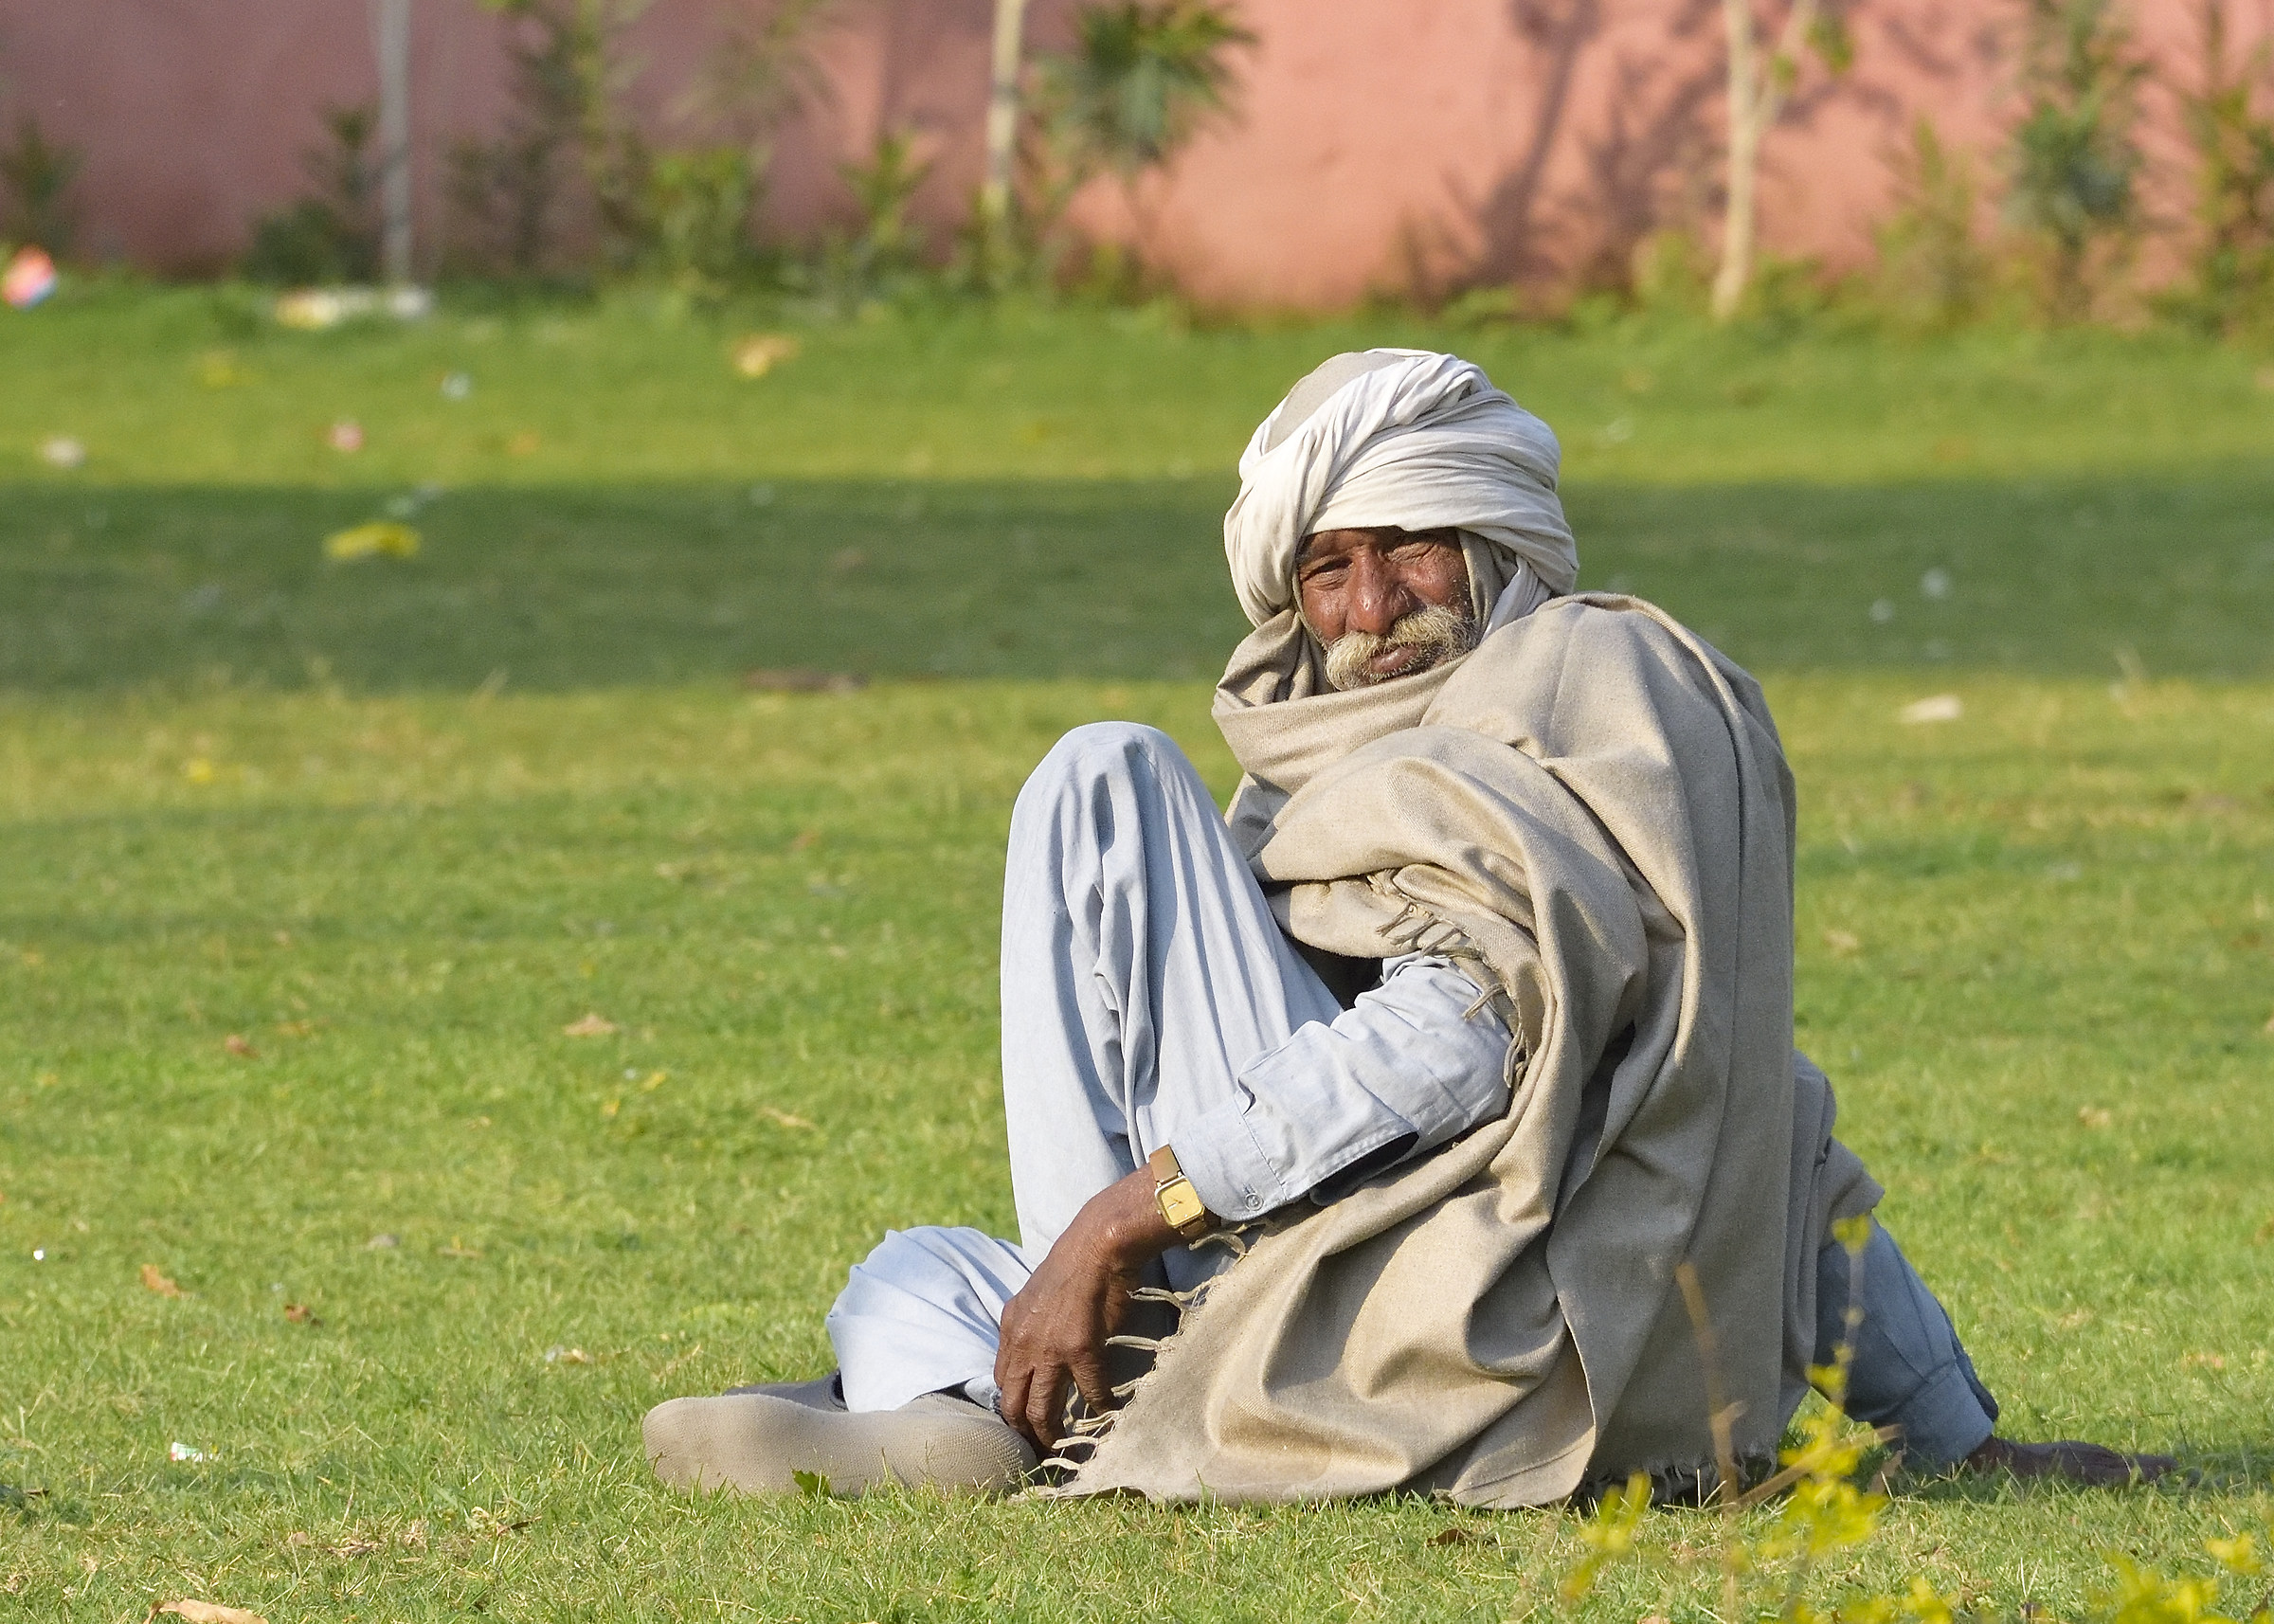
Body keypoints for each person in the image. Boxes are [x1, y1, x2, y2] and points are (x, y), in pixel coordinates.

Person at [643, 350, 2168, 1504]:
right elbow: (1773, 1124)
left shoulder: (1565, 685)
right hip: (1296, 1257)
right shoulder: (1322, 775)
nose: (1374, 604)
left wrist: (1119, 1221)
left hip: (1464, 1281)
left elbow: (1522, 1052)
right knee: (915, 1259)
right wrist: (1957, 1434)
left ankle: (1008, 1391)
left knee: (1101, 774)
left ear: (1496, 546)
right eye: (1329, 566)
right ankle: (962, 1390)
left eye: (1414, 546)